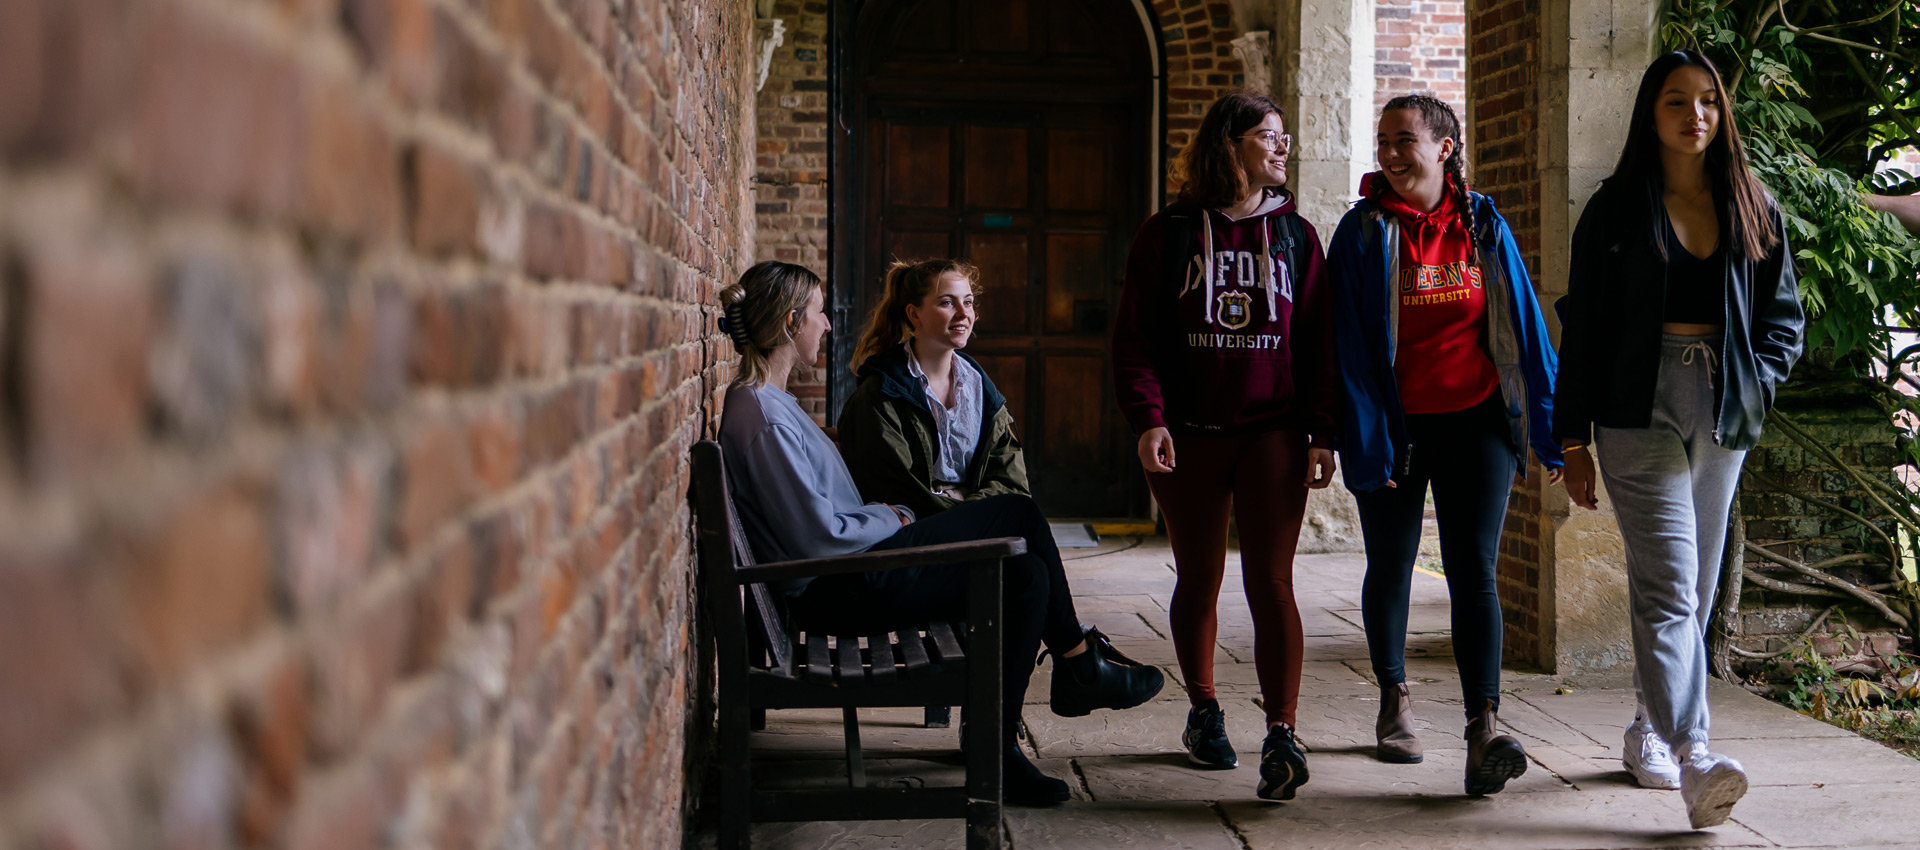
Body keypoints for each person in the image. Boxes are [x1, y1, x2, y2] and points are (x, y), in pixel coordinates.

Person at [714, 260, 1165, 807]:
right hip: (840, 585)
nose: (827, 325)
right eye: (818, 314)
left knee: (1025, 574)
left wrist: (886, 516)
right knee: (1019, 515)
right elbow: (819, 538)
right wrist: (894, 515)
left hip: (854, 569)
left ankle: (999, 742)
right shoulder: (763, 415)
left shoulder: (767, 404)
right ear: (790, 322)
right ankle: (1078, 664)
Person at [1555, 50, 1803, 829]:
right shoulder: (1616, 210)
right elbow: (1585, 329)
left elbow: (1784, 321)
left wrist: (1756, 381)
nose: (1694, 114)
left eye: (1706, 101)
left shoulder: (1753, 205)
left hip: (1724, 408)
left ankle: (1645, 729)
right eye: (1675, 101)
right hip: (1637, 409)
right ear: (1649, 115)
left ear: (1721, 114)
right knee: (1668, 582)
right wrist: (1571, 437)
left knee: (1689, 592)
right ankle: (1697, 755)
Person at [1326, 94, 1563, 796]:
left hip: (1477, 420)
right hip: (1396, 426)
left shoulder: (1482, 223)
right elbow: (1345, 345)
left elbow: (1524, 324)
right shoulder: (1363, 231)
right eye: (1384, 142)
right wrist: (1354, 432)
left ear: (1445, 147)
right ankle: (1394, 701)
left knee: (1474, 568)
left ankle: (1483, 725)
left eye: (1407, 141)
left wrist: (1550, 432)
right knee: (1393, 563)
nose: (1393, 154)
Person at [1111, 91, 1337, 802]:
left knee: (1271, 580)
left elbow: (1318, 345)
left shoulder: (1297, 237)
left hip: (1272, 431)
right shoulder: (1168, 233)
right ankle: (1204, 711)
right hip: (1190, 434)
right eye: (1268, 136)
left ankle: (1282, 732)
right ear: (1230, 144)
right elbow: (1135, 340)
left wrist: (1321, 433)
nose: (1283, 147)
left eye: (1286, 136)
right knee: (1199, 575)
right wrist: (1150, 419)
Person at [838, 259, 1028, 518]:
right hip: (917, 523)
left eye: (968, 302)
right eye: (947, 303)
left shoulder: (981, 388)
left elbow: (1009, 477)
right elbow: (895, 489)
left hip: (975, 518)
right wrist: (967, 513)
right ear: (914, 314)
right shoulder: (881, 394)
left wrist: (974, 508)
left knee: (1027, 519)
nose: (964, 313)